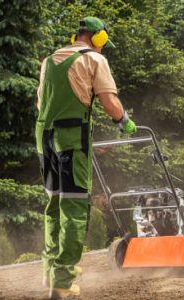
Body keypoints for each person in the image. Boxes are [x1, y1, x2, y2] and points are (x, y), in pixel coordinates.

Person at [35, 16, 136, 299]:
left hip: (44, 138)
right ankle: (63, 282)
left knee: (53, 204)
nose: (103, 48)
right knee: (75, 208)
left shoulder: (49, 60)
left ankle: (51, 270)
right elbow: (109, 101)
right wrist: (124, 122)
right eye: (103, 42)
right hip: (70, 140)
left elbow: (41, 103)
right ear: (98, 38)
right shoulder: (94, 59)